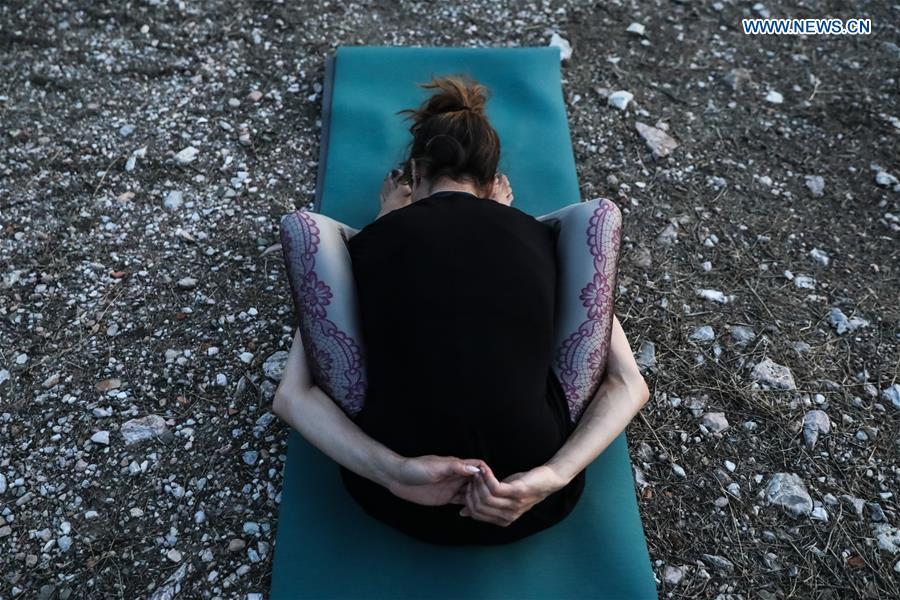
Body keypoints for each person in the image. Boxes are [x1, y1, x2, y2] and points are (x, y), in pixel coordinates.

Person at [273, 75, 650, 545]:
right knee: (589, 220)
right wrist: (551, 477)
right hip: (532, 496)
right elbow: (628, 383)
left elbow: (291, 396)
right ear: (493, 183)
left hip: (397, 495)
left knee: (313, 233)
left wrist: (394, 473)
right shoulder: (542, 243)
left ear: (414, 176)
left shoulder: (369, 246)